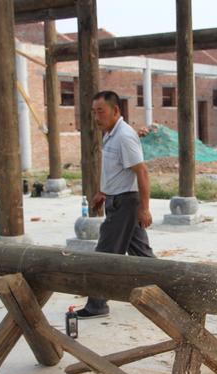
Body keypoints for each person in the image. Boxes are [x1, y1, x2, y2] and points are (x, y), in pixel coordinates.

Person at [75, 90, 155, 319]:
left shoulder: (124, 136)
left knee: (104, 255)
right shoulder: (110, 133)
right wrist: (103, 191)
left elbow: (142, 172)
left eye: (101, 111)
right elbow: (115, 169)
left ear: (115, 111)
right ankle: (167, 289)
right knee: (142, 254)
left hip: (125, 204)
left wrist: (145, 208)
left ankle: (97, 305)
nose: (96, 117)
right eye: (94, 112)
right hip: (117, 199)